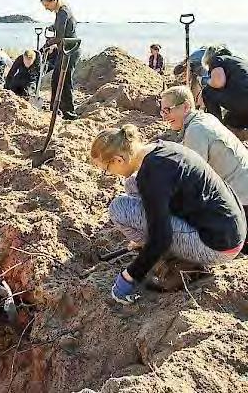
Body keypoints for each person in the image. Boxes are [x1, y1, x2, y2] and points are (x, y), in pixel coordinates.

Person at [90, 125, 246, 304]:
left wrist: (128, 277)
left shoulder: (152, 176)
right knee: (131, 185)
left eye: (106, 169)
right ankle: (158, 250)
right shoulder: (161, 149)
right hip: (230, 228)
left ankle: (170, 261)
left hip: (217, 246)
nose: (109, 174)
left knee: (119, 208)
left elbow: (161, 239)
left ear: (118, 159)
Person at [160, 85, 248, 252]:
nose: (165, 117)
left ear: (185, 107)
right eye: (162, 112)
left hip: (242, 203)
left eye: (168, 110)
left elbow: (195, 181)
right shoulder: (204, 118)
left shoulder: (195, 130)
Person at [41, 0, 81, 120]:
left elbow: (60, 37)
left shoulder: (63, 12)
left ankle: (69, 112)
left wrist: (49, 42)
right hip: (64, 49)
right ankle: (54, 108)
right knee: (56, 78)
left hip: (71, 49)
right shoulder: (60, 12)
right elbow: (60, 27)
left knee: (65, 80)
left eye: (47, 5)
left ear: (53, 1)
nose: (46, 9)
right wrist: (53, 27)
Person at [201, 45, 248, 129]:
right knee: (229, 120)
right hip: (243, 103)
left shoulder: (217, 59)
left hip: (243, 100)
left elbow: (219, 83)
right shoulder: (240, 61)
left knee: (207, 91)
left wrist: (205, 80)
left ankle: (215, 128)